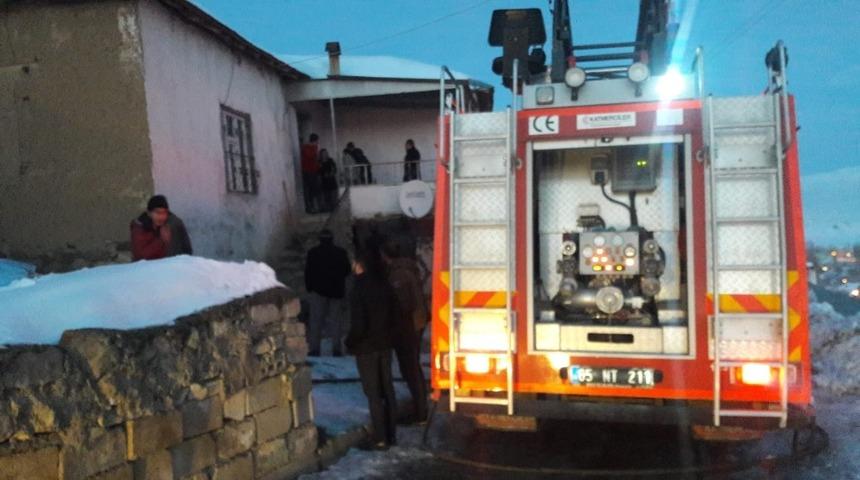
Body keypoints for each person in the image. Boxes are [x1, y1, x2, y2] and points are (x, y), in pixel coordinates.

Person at [345, 251, 398, 449]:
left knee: (373, 392)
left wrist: (350, 342)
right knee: (387, 389)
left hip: (366, 347)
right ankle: (391, 435)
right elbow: (395, 313)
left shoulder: (358, 288)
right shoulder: (384, 284)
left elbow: (359, 323)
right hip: (385, 344)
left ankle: (380, 437)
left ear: (359, 265)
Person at [381, 241, 429, 423]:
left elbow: (403, 306)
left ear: (385, 256)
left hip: (408, 327)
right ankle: (420, 407)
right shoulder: (408, 269)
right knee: (413, 367)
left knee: (410, 368)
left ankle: (420, 411)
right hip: (415, 324)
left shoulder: (398, 274)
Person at [304, 229, 351, 356]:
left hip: (318, 291)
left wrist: (310, 287)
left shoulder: (313, 253)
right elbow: (347, 270)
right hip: (336, 291)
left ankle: (314, 349)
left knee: (316, 321)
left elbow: (308, 272)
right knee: (336, 322)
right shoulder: (340, 252)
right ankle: (336, 349)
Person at [130, 195, 192, 261]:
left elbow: (187, 249)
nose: (161, 217)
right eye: (158, 213)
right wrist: (161, 240)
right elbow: (140, 256)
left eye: (164, 213)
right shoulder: (139, 228)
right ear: (149, 213)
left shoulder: (174, 223)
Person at [301, 133, 322, 213]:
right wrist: (315, 149)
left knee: (314, 190)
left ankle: (314, 207)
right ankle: (310, 207)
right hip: (308, 171)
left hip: (313, 171)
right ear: (315, 140)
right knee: (310, 190)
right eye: (317, 141)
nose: (318, 142)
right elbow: (310, 156)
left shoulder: (311, 148)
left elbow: (315, 159)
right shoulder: (307, 148)